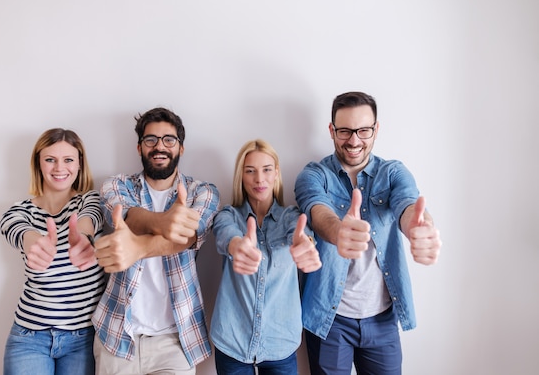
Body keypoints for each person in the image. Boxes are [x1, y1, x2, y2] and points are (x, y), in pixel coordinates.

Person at [295, 91, 442, 375]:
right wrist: (339, 232)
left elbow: (408, 207)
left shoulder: (393, 172)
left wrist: (418, 228)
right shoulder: (314, 175)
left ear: (376, 129)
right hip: (330, 320)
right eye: (345, 131)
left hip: (382, 320)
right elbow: (318, 210)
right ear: (331, 131)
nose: (354, 140)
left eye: (363, 130)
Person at [91, 107, 220, 375]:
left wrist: (137, 248)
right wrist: (164, 223)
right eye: (151, 139)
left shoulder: (202, 192)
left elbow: (187, 238)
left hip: (175, 339)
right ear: (139, 147)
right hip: (117, 334)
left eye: (168, 140)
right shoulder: (116, 185)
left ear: (181, 148)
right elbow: (128, 216)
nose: (159, 146)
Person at [210, 139, 322, 375]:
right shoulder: (228, 215)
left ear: (276, 173)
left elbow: (301, 235)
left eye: (266, 170)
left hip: (280, 344)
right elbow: (225, 234)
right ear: (241, 176)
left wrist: (307, 244)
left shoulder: (291, 216)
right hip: (233, 342)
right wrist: (237, 245)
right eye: (250, 171)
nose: (259, 179)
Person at [0, 128, 105, 375]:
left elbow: (91, 218)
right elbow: (16, 229)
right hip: (29, 338)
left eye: (68, 159)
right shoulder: (20, 211)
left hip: (82, 339)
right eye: (50, 159)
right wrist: (33, 241)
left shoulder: (90, 200)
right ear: (38, 164)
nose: (60, 168)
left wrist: (82, 237)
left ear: (79, 164)